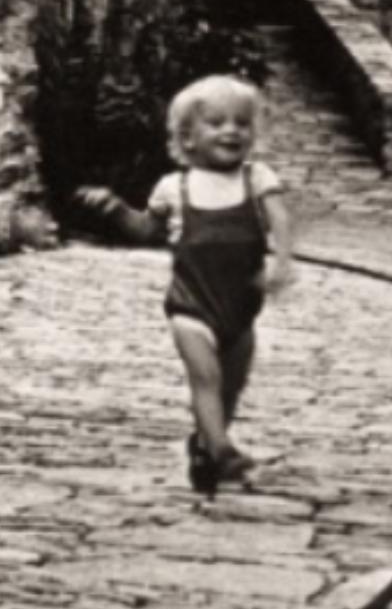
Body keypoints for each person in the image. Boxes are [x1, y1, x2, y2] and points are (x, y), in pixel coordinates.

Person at [76, 75, 296, 495]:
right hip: (191, 306)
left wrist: (281, 264)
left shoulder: (257, 179)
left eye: (241, 123)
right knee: (206, 378)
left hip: (241, 310)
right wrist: (117, 209)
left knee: (230, 386)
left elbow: (280, 221)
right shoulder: (174, 187)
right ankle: (222, 449)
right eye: (216, 123)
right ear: (187, 138)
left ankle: (205, 445)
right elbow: (145, 231)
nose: (231, 131)